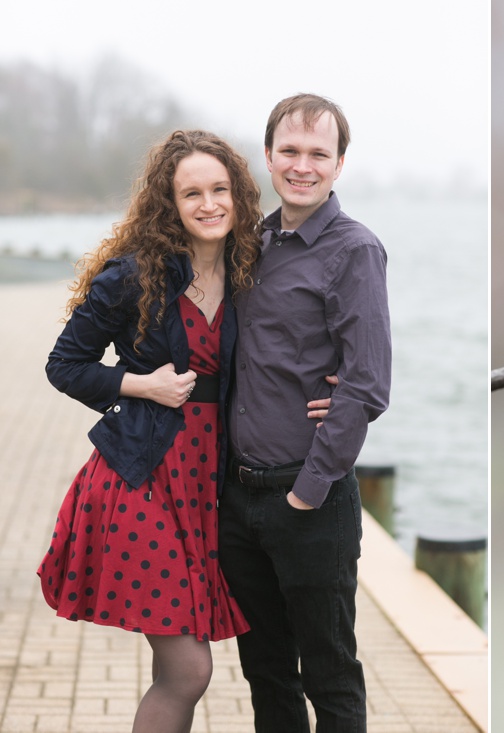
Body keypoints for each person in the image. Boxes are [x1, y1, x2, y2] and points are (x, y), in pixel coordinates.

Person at [37, 129, 263, 733]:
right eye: (192, 193)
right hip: (139, 477)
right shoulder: (134, 276)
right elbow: (65, 365)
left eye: (220, 189)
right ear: (171, 203)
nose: (209, 204)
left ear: (239, 196)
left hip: (206, 487)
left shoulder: (250, 273)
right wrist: (141, 384)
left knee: (185, 673)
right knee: (188, 671)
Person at [219, 93, 392, 732]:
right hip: (239, 502)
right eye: (289, 151)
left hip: (309, 502)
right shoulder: (250, 242)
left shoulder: (354, 251)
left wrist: (306, 493)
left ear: (339, 164)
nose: (302, 165)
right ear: (268, 156)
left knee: (330, 676)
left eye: (318, 153)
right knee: (266, 673)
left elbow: (368, 383)